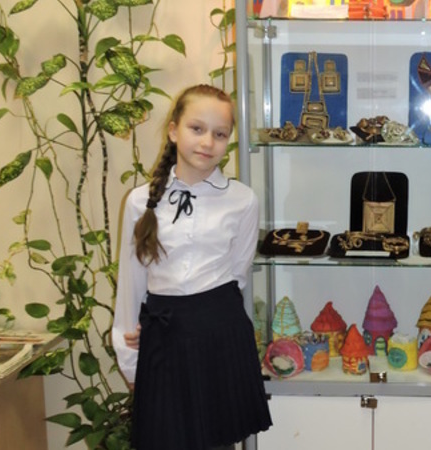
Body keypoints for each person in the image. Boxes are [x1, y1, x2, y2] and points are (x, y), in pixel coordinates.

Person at [113, 84, 272, 450]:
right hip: (163, 337)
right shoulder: (140, 202)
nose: (207, 142)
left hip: (220, 334)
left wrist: (201, 316)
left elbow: (237, 275)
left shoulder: (243, 200)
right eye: (196, 128)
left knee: (219, 443)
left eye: (220, 134)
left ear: (228, 141)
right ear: (173, 130)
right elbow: (131, 284)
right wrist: (130, 358)